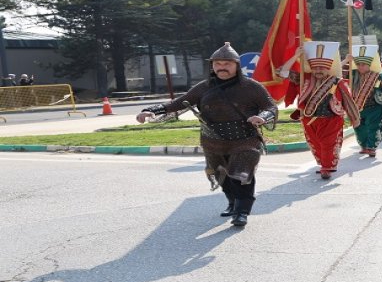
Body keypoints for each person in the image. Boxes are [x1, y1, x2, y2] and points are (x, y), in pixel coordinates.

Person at [136, 42, 277, 227]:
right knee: (223, 176)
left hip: (245, 139)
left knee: (241, 175)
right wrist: (151, 110)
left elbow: (270, 106)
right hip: (213, 140)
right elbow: (179, 102)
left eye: (226, 64)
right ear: (212, 66)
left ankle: (241, 212)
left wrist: (262, 116)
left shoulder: (252, 87)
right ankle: (232, 202)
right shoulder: (204, 87)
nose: (222, 67)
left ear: (236, 65)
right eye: (217, 64)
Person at [288, 41, 360, 180]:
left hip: (331, 118)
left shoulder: (337, 82)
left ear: (328, 68)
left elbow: (348, 101)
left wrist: (354, 118)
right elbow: (282, 72)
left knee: (328, 143)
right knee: (315, 144)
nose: (319, 70)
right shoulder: (305, 79)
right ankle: (324, 164)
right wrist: (296, 56)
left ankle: (326, 168)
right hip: (309, 119)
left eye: (322, 67)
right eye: (316, 68)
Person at [348, 47, 382, 158]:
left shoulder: (379, 76)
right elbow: (338, 75)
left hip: (375, 106)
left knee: (373, 127)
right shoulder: (353, 74)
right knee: (359, 128)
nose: (361, 67)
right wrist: (347, 60)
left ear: (369, 65)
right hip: (357, 107)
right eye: (359, 64)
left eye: (363, 65)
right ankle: (364, 146)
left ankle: (371, 147)